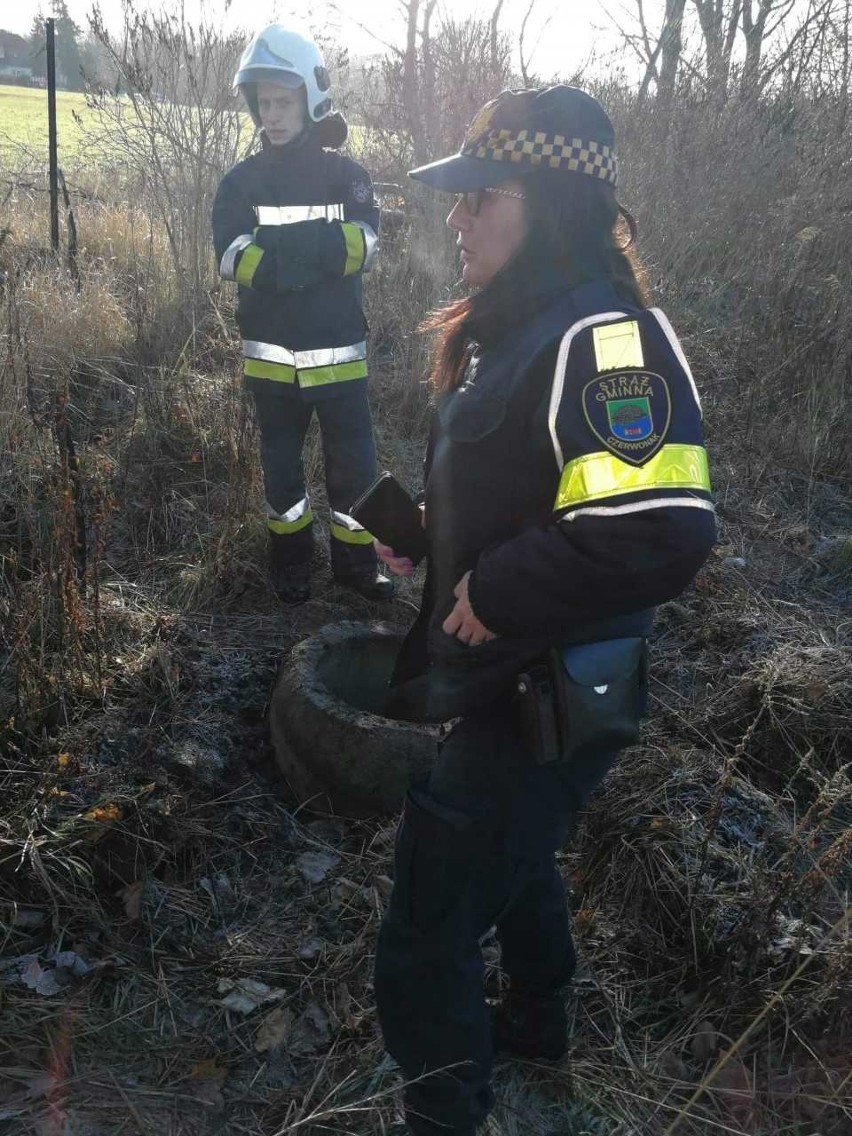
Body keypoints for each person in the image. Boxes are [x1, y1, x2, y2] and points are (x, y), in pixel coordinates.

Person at [372, 86, 716, 1136]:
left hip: (546, 692)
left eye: (482, 195)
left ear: (554, 201)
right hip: (502, 684)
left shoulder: (609, 339)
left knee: (426, 934)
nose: (457, 216)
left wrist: (500, 584)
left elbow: (665, 527)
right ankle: (537, 1022)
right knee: (513, 856)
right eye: (459, 197)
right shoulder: (516, 329)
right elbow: (554, 488)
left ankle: (447, 1115)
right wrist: (437, 538)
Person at [212, 24, 393, 603]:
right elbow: (231, 254)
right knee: (282, 474)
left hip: (340, 358)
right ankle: (291, 562)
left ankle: (357, 568)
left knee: (354, 471)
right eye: (264, 102)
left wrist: (300, 252)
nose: (273, 114)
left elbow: (366, 242)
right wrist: (304, 258)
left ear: (311, 99)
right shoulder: (238, 183)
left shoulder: (349, 176)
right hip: (270, 361)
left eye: (284, 101)